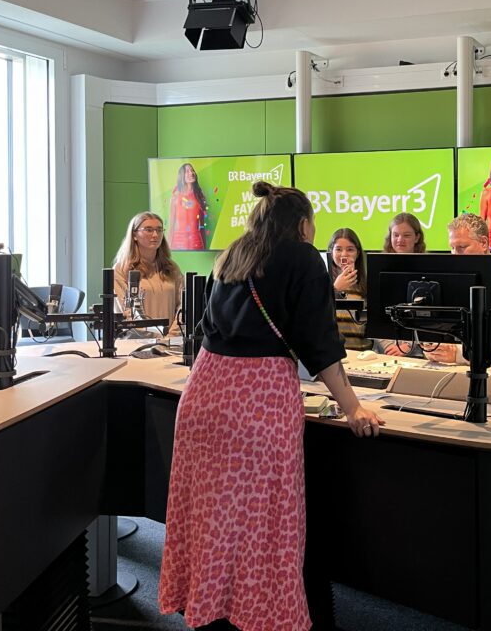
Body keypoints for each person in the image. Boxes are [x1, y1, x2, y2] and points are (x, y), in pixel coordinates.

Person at [158, 181, 384, 631]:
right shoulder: (303, 257)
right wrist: (354, 408)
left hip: (204, 391)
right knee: (262, 522)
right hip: (258, 401)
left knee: (210, 518)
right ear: (303, 224)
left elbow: (206, 327)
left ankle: (210, 607)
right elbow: (320, 344)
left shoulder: (232, 254)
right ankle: (260, 614)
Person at [424, 213, 491, 364]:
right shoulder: (448, 280)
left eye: (462, 247)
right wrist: (434, 348)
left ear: (484, 243)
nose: (456, 255)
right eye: (452, 248)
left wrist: (459, 355)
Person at [112, 211, 183, 336]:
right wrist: (156, 337)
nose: (155, 235)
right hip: (136, 342)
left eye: (159, 230)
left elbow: (183, 307)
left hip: (171, 341)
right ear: (134, 235)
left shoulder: (172, 269)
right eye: (148, 230)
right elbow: (127, 313)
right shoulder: (121, 269)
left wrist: (172, 335)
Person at [375, 212, 428, 356]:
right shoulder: (379, 269)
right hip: (385, 352)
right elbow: (375, 316)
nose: (400, 240)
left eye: (406, 235)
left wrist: (408, 346)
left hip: (419, 353)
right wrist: (390, 347)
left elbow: (429, 318)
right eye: (396, 235)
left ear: (417, 237)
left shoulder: (428, 269)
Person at [327, 227, 370, 351]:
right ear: (331, 252)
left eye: (350, 249)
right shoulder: (322, 282)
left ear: (358, 253)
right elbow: (317, 313)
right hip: (333, 352)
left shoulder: (366, 284)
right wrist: (335, 289)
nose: (344, 254)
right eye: (338, 249)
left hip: (362, 352)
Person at [169, 162, 208, 251]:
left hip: (196, 243)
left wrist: (205, 249)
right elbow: (172, 225)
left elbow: (202, 226)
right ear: (182, 176)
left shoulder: (199, 196)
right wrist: (168, 248)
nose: (191, 173)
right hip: (177, 244)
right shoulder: (175, 197)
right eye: (187, 171)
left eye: (192, 170)